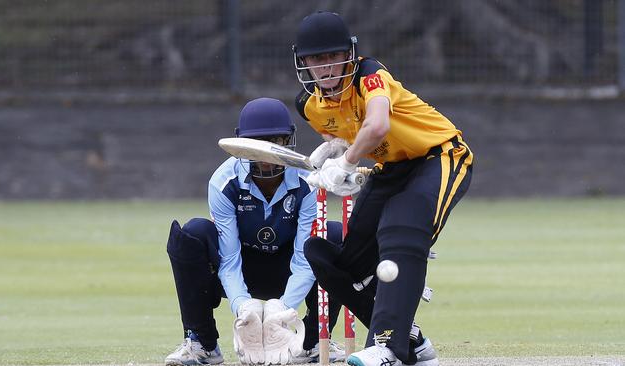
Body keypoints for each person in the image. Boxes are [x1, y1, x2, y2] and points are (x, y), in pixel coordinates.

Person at [292, 11, 474, 366]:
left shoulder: (370, 75)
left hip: (439, 156)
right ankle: (412, 340)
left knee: (399, 232)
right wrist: (332, 153)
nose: (326, 67)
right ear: (304, 63)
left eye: (333, 56)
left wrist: (345, 165)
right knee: (333, 259)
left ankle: (386, 345)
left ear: (350, 54)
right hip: (390, 169)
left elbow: (376, 126)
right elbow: (339, 133)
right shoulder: (308, 105)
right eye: (317, 59)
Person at [164, 97, 346, 366]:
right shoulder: (223, 181)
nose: (266, 155)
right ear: (242, 145)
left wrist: (283, 310)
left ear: (289, 140)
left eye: (276, 141)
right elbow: (229, 258)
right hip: (244, 269)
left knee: (334, 235)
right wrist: (242, 307)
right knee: (192, 233)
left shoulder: (308, 181)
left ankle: (312, 344)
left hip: (289, 270)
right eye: (257, 145)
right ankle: (202, 345)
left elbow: (304, 256)